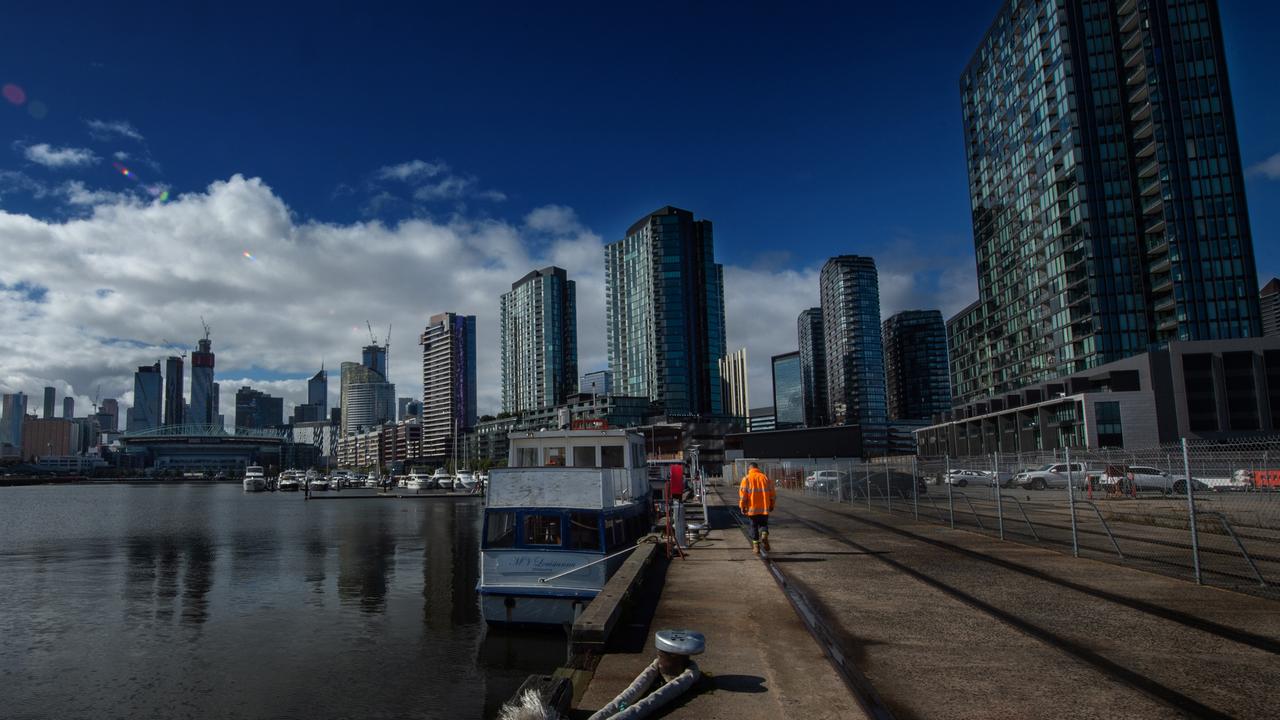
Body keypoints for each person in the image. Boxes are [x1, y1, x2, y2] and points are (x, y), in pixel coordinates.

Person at [739, 462, 776, 555]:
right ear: (757, 468)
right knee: (764, 524)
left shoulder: (746, 479)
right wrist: (772, 505)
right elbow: (772, 494)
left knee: (754, 527)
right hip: (764, 508)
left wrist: (742, 506)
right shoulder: (765, 478)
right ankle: (764, 535)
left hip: (752, 509)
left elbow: (743, 496)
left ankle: (756, 547)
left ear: (749, 469)